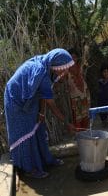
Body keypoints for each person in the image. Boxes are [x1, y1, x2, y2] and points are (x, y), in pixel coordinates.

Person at [4, 48, 74, 178]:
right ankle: (29, 169)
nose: (66, 72)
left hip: (29, 100)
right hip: (16, 101)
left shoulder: (47, 66)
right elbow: (52, 105)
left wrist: (41, 114)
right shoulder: (41, 72)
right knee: (25, 133)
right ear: (56, 65)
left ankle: (45, 160)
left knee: (38, 128)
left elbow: (42, 94)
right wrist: (67, 123)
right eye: (64, 68)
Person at [66, 48, 90, 131]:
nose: (73, 59)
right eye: (71, 57)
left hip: (84, 94)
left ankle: (85, 132)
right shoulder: (65, 70)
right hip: (75, 97)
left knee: (85, 114)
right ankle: (79, 134)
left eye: (75, 57)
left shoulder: (80, 67)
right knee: (77, 117)